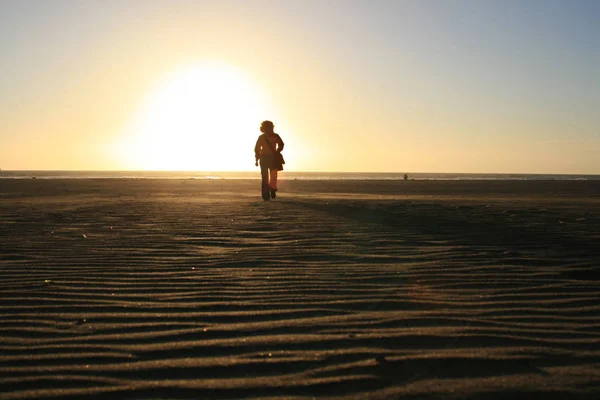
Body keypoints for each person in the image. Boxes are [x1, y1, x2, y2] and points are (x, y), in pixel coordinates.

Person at [254, 120, 284, 200]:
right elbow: (257, 148)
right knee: (265, 177)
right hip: (264, 158)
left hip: (271, 158)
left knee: (272, 176)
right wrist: (257, 158)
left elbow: (281, 144)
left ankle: (272, 189)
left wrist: (278, 151)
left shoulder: (275, 136)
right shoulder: (262, 137)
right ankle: (266, 194)